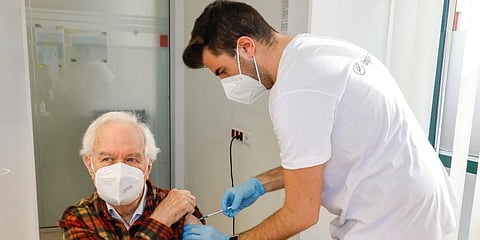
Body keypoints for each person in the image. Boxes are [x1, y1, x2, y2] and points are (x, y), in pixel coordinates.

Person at [181, 1, 458, 239]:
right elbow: (317, 160)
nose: (226, 83)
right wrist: (260, 184)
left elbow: (300, 214)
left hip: (392, 218)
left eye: (223, 71)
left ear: (245, 47)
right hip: (418, 196)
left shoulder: (295, 91)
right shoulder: (314, 50)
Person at [58, 111, 203, 239]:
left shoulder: (179, 205)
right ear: (90, 165)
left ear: (148, 166)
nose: (120, 170)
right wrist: (162, 219)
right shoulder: (77, 218)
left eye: (131, 159)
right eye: (107, 159)